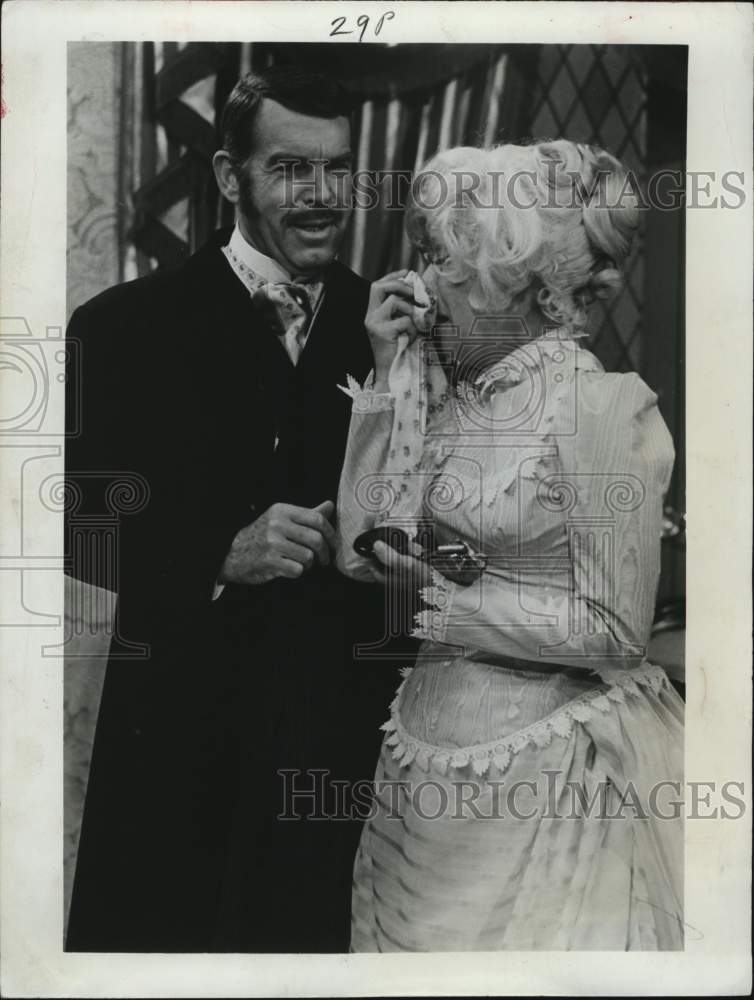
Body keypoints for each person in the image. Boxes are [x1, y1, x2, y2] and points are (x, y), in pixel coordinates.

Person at [65, 67, 408, 953]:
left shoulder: (394, 330)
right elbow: (76, 526)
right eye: (292, 169)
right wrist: (218, 554)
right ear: (229, 178)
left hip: (342, 751)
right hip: (181, 745)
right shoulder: (122, 328)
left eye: (339, 170)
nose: (324, 195)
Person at [337, 139, 684, 950]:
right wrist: (386, 375)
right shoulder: (455, 401)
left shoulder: (600, 409)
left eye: (441, 258)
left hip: (552, 780)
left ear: (507, 280)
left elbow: (615, 631)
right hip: (422, 768)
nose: (424, 283)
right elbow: (358, 553)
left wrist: (440, 599)